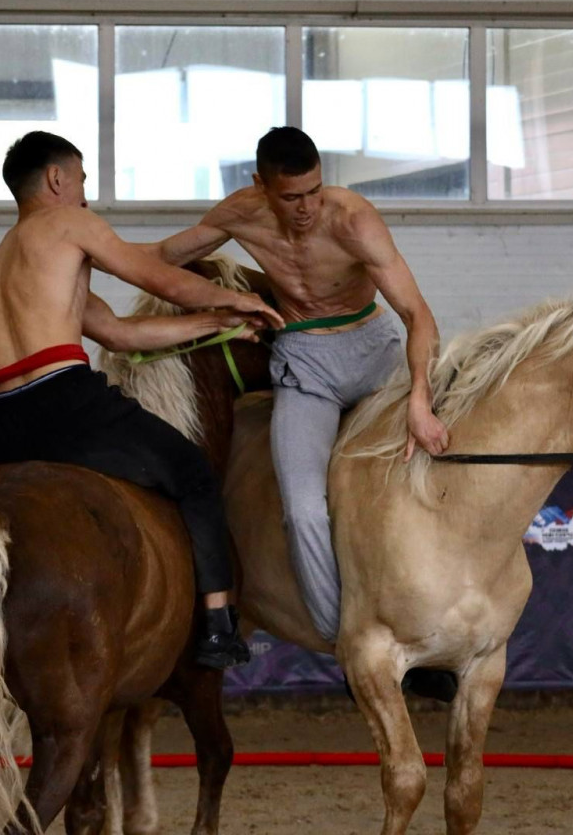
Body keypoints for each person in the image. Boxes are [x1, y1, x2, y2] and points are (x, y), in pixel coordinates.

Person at [0, 130, 283, 669]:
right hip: (63, 403)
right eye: (82, 179)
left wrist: (215, 322)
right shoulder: (69, 222)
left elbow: (122, 334)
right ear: (57, 179)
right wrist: (236, 296)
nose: (87, 192)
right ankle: (219, 624)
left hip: (3, 419)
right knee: (193, 473)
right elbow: (159, 277)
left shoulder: (10, 257)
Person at [155, 127, 457, 700]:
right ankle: (348, 645)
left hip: (372, 354)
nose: (306, 208)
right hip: (304, 362)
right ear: (260, 187)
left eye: (314, 191)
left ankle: (428, 639)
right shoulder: (241, 213)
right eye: (291, 197)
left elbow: (418, 314)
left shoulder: (352, 219)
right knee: (300, 507)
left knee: (422, 481)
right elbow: (164, 258)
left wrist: (419, 398)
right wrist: (89, 260)